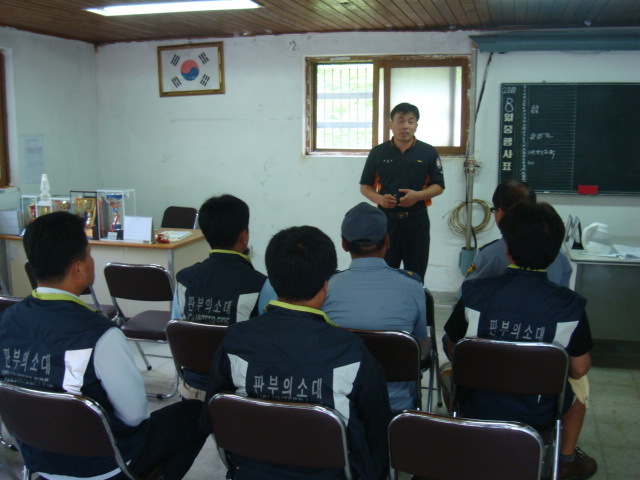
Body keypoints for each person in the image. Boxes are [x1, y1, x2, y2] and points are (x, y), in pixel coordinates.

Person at [0, 212, 206, 480]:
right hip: (102, 466)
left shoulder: (7, 320)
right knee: (195, 414)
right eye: (89, 254)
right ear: (78, 268)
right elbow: (135, 417)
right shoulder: (100, 334)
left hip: (39, 459)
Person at [199, 225, 392, 480]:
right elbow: (378, 432)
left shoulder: (235, 340)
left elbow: (212, 418)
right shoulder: (351, 351)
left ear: (271, 279)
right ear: (326, 285)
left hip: (253, 472)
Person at [443, 202, 597, 480]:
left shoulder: (475, 293)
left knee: (448, 369)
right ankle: (566, 459)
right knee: (580, 383)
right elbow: (579, 368)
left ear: (507, 249)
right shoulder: (570, 305)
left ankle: (465, 434)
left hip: (477, 403)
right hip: (540, 410)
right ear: (555, 253)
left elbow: (453, 347)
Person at [323, 202, 427, 412]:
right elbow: (419, 344)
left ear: (344, 244)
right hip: (397, 406)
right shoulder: (413, 287)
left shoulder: (326, 289)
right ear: (387, 240)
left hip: (341, 405)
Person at [172, 194, 274, 399]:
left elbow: (177, 332)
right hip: (239, 394)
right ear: (243, 236)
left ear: (206, 234)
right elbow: (270, 344)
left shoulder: (184, 280)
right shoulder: (262, 286)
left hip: (193, 388)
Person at [360, 102, 445, 281]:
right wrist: (380, 199)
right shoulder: (378, 152)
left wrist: (418, 196)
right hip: (386, 221)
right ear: (391, 124)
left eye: (410, 121)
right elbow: (365, 186)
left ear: (416, 126)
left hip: (417, 221)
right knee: (384, 273)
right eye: (400, 121)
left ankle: (415, 298)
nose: (405, 126)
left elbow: (439, 186)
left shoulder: (428, 152)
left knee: (415, 274)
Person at [462, 179, 572, 288]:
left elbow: (468, 293)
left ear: (500, 212)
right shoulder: (558, 253)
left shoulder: (490, 255)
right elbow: (563, 291)